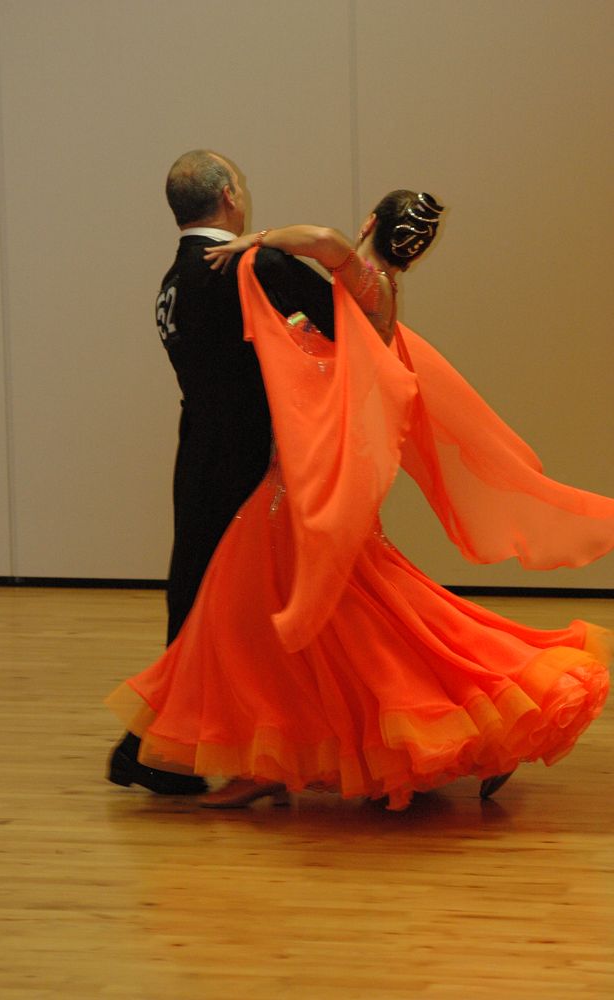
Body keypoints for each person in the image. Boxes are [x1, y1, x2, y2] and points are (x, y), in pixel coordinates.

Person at [106, 190, 613, 810]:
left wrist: (257, 239)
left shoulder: (363, 281)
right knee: (348, 614)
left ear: (372, 224)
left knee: (318, 610)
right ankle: (290, 750)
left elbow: (324, 241)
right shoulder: (369, 293)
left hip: (305, 482)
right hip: (310, 476)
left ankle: (463, 724)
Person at [107, 150, 335, 795]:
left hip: (200, 453)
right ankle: (168, 747)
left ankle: (160, 747)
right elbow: (346, 319)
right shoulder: (251, 265)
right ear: (231, 195)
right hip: (254, 461)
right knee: (253, 606)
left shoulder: (172, 281)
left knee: (197, 598)